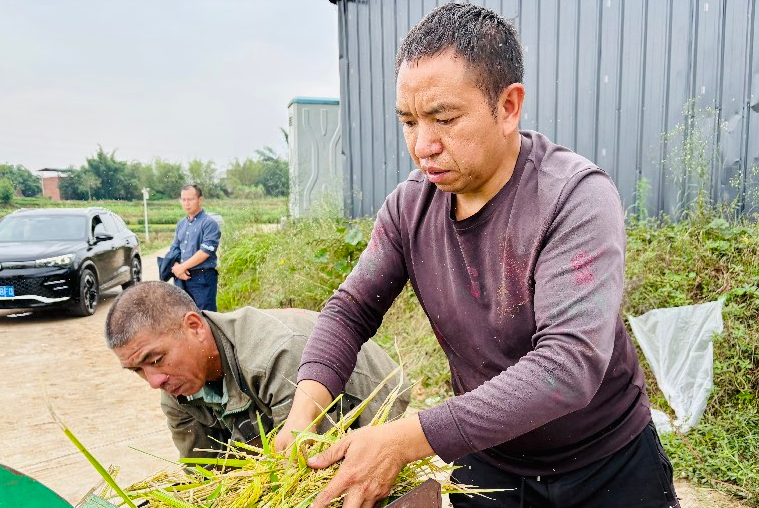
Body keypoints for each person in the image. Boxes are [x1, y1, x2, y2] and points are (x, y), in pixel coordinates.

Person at [277, 4, 680, 508]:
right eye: (409, 121)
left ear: (508, 106)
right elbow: (350, 310)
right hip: (488, 463)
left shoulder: (574, 197)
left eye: (444, 118)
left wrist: (404, 440)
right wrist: (303, 414)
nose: (424, 145)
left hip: (605, 464)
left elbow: (567, 367)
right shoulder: (410, 207)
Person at [105, 281, 408, 460]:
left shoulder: (275, 356)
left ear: (194, 326)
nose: (154, 381)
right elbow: (205, 474)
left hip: (364, 395)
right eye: (137, 370)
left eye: (156, 360)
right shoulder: (176, 388)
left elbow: (303, 467)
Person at [168, 184, 221, 311]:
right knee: (186, 319)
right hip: (182, 278)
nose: (186, 203)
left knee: (206, 318)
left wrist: (182, 267)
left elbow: (205, 252)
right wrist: (176, 267)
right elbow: (174, 249)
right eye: (183, 199)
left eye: (190, 199)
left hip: (203, 279)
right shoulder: (181, 224)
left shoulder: (209, 223)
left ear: (200, 200)